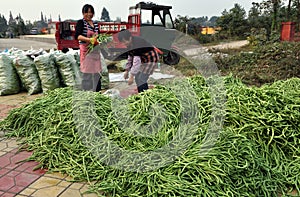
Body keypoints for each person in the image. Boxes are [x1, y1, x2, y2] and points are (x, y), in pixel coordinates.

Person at [75, 4, 101, 92]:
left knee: (97, 72)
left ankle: (98, 93)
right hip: (86, 51)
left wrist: (98, 39)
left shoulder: (96, 24)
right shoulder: (81, 23)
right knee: (87, 73)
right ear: (83, 13)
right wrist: (89, 40)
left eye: (91, 12)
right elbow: (78, 36)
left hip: (95, 50)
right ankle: (87, 93)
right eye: (87, 12)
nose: (89, 14)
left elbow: (98, 36)